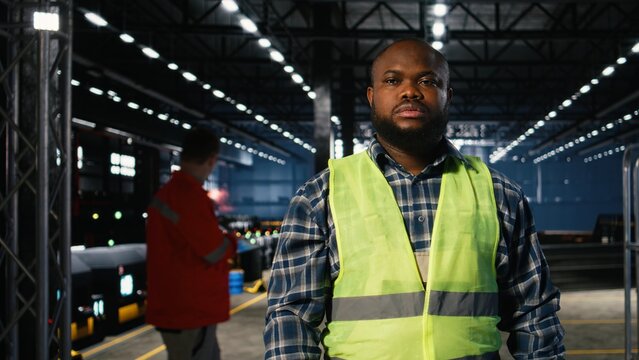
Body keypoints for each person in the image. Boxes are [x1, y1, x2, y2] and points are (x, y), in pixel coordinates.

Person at [264, 39, 565, 359]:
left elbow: (534, 315)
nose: (410, 91)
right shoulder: (320, 197)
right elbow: (291, 319)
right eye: (393, 80)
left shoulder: (499, 195)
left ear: (447, 96)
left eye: (427, 81)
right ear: (372, 96)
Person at [146, 127, 235, 360]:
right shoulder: (189, 197)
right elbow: (214, 252)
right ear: (212, 159)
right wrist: (232, 240)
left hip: (175, 306)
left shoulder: (167, 194)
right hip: (189, 310)